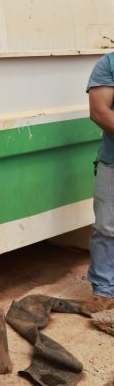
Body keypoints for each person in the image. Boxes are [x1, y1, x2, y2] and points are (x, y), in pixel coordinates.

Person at [85, 53, 114, 312]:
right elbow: (99, 111)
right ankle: (104, 291)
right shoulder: (109, 64)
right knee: (106, 227)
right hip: (112, 163)